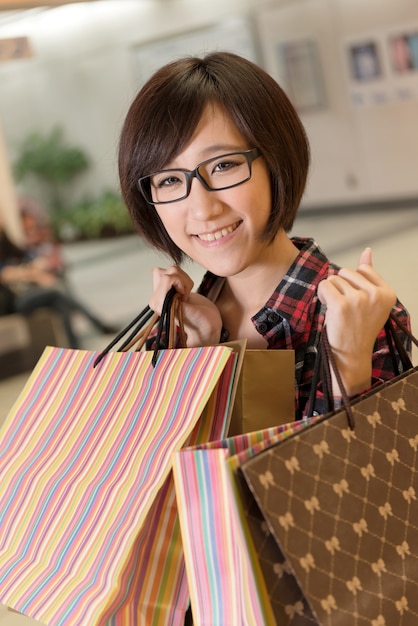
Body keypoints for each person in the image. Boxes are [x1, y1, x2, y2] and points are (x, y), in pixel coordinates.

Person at [118, 50, 411, 421]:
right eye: (170, 180)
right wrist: (197, 351)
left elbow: (372, 473)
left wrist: (348, 369)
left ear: (275, 161)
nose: (203, 208)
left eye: (223, 165)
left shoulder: (356, 313)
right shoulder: (179, 324)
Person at [0, 224, 118, 349]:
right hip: (17, 300)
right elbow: (5, 275)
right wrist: (33, 275)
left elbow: (37, 261)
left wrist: (34, 270)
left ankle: (74, 347)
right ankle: (98, 325)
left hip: (33, 292)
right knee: (58, 291)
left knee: (60, 303)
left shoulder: (12, 249)